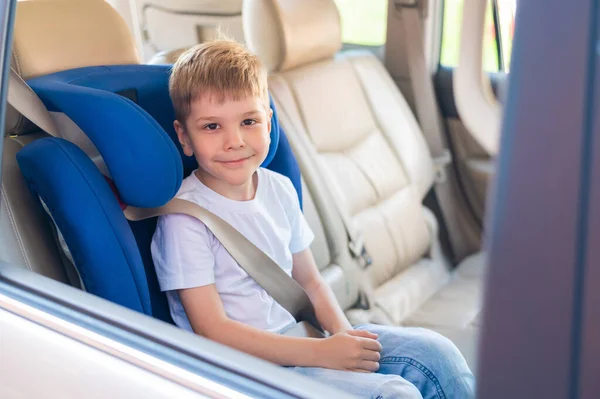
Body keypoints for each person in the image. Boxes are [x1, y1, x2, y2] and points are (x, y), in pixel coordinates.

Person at [151, 39, 475, 399]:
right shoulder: (185, 219)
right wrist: (322, 353)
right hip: (247, 371)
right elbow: (213, 330)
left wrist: (342, 338)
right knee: (396, 394)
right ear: (185, 137)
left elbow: (311, 281)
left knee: (437, 354)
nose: (234, 141)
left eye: (249, 121)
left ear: (269, 123)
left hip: (303, 341)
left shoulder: (277, 189)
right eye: (212, 127)